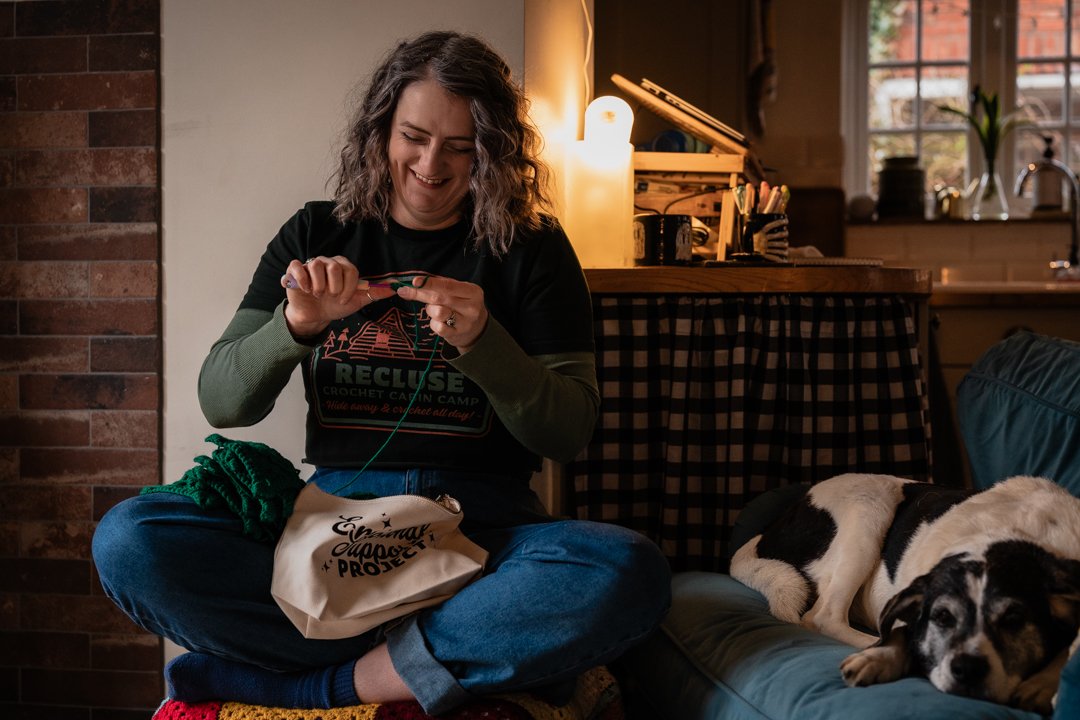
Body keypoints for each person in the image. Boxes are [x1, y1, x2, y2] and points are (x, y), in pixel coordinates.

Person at [92, 30, 671, 716]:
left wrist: (485, 342)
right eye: (414, 136)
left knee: (624, 569)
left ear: (493, 152)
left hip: (480, 536)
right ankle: (440, 655)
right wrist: (297, 326)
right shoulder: (316, 233)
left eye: (462, 146)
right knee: (130, 538)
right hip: (335, 529)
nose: (432, 164)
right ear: (380, 133)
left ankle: (321, 681)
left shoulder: (534, 249)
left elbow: (567, 433)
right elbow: (222, 401)